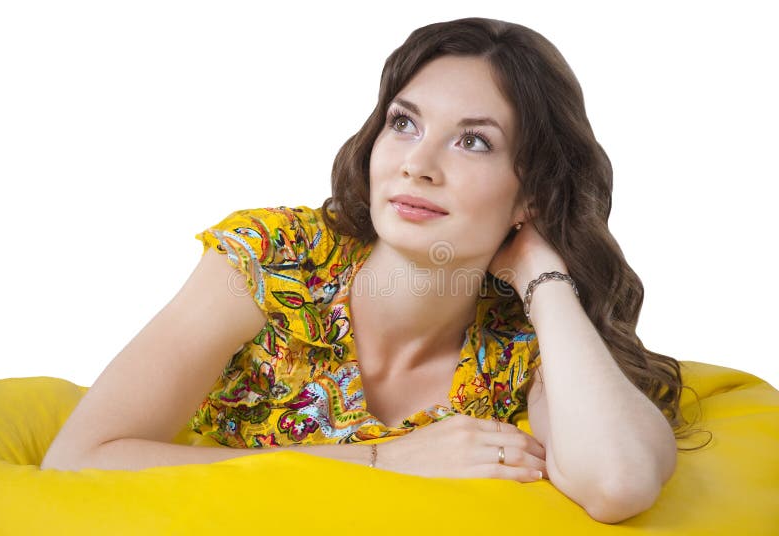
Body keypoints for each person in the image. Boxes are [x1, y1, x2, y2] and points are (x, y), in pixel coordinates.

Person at [40, 17, 708, 523]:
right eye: (404, 123)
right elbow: (76, 461)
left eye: (473, 140)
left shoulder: (519, 344)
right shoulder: (275, 260)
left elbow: (619, 481)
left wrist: (541, 273)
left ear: (530, 192)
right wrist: (382, 461)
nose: (417, 163)